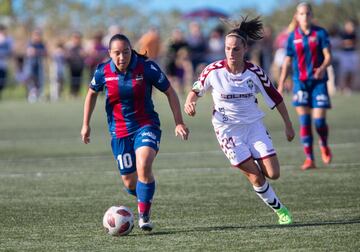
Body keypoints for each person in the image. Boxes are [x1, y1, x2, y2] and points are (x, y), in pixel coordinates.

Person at [184, 16, 295, 225]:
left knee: (274, 173)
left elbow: (276, 98)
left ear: (244, 49)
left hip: (254, 127)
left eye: (236, 49)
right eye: (227, 48)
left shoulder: (254, 72)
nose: (231, 53)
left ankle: (255, 169)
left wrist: (288, 125)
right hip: (228, 131)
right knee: (256, 177)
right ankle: (281, 210)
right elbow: (195, 90)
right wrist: (190, 103)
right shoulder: (213, 70)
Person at [81, 34, 189, 231]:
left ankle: (144, 217)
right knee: (130, 182)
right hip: (119, 132)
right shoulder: (103, 71)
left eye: (126, 52)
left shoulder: (147, 67)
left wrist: (179, 123)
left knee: (144, 164)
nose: (122, 57)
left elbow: (170, 92)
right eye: (117, 53)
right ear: (109, 54)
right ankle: (143, 196)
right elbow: (91, 94)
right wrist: (85, 124)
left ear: (132, 50)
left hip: (146, 125)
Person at [278, 2, 332, 170]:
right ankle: (310, 158)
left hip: (318, 82)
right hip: (300, 83)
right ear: (297, 16)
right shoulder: (292, 37)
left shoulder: (320, 33)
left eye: (308, 13)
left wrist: (322, 68)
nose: (305, 16)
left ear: (311, 15)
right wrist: (279, 85)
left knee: (319, 122)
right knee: (305, 121)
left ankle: (323, 143)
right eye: (302, 14)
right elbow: (287, 62)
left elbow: (328, 56)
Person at [0, 24, 13, 100]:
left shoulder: (8, 39)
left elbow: (10, 51)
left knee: (2, 81)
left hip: (3, 63)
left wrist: (3, 41)